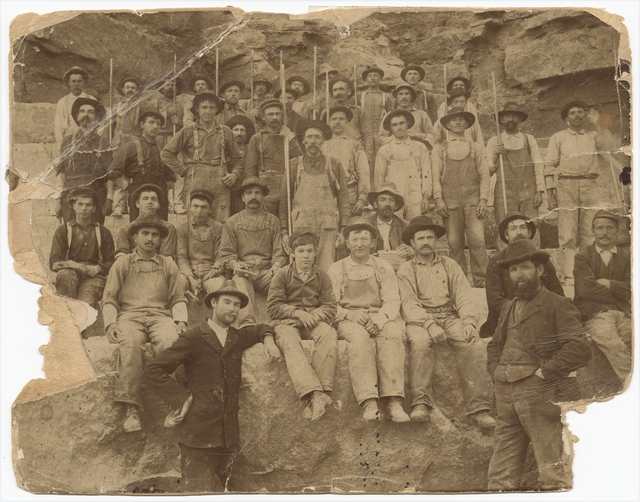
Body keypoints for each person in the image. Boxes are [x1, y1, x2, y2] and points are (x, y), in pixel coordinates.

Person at [144, 280, 279, 492]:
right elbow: (153, 371)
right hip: (198, 440)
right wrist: (182, 398)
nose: (232, 309)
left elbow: (261, 328)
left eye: (237, 305)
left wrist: (269, 340)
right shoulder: (194, 336)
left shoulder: (236, 337)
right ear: (213, 302)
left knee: (251, 493)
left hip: (229, 440)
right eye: (227, 302)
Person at [487, 239, 591, 490]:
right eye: (513, 270)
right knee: (500, 476)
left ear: (540, 270)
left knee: (551, 472)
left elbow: (580, 348)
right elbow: (494, 345)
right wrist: (496, 372)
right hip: (506, 395)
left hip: (540, 394)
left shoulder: (557, 304)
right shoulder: (508, 307)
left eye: (524, 268)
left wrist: (545, 372)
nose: (518, 275)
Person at [397, 216, 495, 427]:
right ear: (412, 243)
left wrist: (468, 321)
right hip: (420, 321)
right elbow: (408, 303)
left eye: (429, 238)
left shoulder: (450, 265)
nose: (425, 242)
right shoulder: (406, 269)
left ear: (436, 241)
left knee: (472, 343)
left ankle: (479, 408)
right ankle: (420, 403)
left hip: (450, 316)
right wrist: (429, 323)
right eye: (420, 238)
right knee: (421, 343)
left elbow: (464, 296)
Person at [102, 213, 188, 432]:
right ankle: (130, 409)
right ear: (135, 238)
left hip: (161, 317)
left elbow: (177, 297)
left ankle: (175, 404)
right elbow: (109, 297)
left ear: (160, 240)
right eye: (145, 234)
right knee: (129, 343)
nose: (150, 239)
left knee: (170, 343)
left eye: (155, 235)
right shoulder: (122, 264)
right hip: (130, 316)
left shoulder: (168, 264)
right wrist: (111, 324)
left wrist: (180, 321)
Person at [327, 217, 409, 423]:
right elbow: (329, 305)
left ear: (373, 243)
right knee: (360, 339)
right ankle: (369, 401)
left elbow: (392, 299)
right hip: (350, 319)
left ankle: (393, 400)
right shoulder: (336, 269)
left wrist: (380, 319)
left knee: (391, 335)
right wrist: (350, 315)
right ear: (347, 243)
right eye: (354, 239)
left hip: (378, 316)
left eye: (365, 239)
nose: (360, 244)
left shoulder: (383, 267)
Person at [267, 229, 338, 420]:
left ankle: (320, 393)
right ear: (292, 253)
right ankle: (313, 393)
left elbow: (331, 307)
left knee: (328, 334)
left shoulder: (322, 275)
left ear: (315, 252)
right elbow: (273, 307)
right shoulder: (282, 274)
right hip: (287, 323)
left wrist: (312, 315)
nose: (305, 256)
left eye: (309, 251)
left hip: (313, 321)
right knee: (289, 341)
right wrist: (296, 313)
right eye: (300, 251)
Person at [545, 100, 608, 285]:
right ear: (566, 118)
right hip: (567, 185)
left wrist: (599, 122)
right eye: (572, 112)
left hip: (590, 185)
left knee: (589, 231)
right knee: (567, 232)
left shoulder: (593, 136)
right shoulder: (558, 138)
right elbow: (549, 165)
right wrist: (550, 192)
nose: (577, 115)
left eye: (581, 112)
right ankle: (570, 275)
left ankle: (586, 274)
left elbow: (610, 147)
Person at [162, 92, 243, 223]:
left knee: (220, 221)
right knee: (196, 219)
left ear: (217, 109)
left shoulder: (226, 131)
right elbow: (166, 153)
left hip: (220, 179)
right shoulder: (188, 130)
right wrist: (184, 170)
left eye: (212, 107)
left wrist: (234, 174)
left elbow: (238, 159)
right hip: (196, 177)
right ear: (197, 109)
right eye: (204, 107)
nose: (208, 111)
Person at [480, 213, 564, 339]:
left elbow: (558, 294)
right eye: (513, 229)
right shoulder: (496, 262)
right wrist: (523, 313)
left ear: (529, 233)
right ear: (506, 235)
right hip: (508, 321)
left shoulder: (542, 260)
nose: (519, 232)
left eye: (522, 227)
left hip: (541, 319)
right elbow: (495, 302)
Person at [280, 120, 350, 271]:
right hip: (302, 224)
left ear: (324, 140)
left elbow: (343, 199)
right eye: (309, 137)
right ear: (303, 140)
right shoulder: (293, 165)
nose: (313, 141)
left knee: (327, 267)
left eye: (317, 137)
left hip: (328, 226)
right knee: (302, 267)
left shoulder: (334, 165)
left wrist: (343, 228)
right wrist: (285, 231)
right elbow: (284, 201)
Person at [218, 177, 288, 328]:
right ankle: (247, 324)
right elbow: (226, 254)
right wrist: (236, 265)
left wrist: (276, 266)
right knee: (239, 283)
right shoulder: (232, 222)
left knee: (282, 284)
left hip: (266, 271)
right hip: (244, 272)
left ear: (263, 196)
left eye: (257, 193)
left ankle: (281, 322)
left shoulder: (273, 221)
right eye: (249, 193)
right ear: (242, 197)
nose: (253, 197)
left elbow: (279, 252)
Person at [432, 106, 489, 287]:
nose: (457, 122)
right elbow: (435, 174)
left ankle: (482, 279)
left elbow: (484, 174)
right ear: (447, 124)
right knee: (454, 242)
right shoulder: (441, 146)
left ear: (467, 124)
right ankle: (459, 281)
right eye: (453, 120)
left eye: (461, 119)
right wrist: (438, 198)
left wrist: (483, 199)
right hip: (450, 200)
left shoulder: (475, 147)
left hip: (473, 199)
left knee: (477, 240)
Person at [573, 209, 631, 385]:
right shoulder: (583, 257)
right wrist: (618, 290)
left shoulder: (627, 256)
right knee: (615, 346)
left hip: (622, 313)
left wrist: (609, 284)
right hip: (595, 314)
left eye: (609, 228)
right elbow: (585, 289)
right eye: (599, 228)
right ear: (592, 231)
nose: (604, 233)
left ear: (618, 231)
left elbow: (633, 288)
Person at [486, 102, 545, 249]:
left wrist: (539, 190)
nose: (510, 119)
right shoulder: (495, 141)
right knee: (505, 225)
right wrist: (495, 155)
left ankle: (533, 256)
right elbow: (487, 171)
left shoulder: (528, 139)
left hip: (528, 189)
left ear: (520, 119)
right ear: (501, 120)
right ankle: (507, 260)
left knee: (531, 224)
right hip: (505, 190)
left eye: (514, 116)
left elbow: (538, 165)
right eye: (507, 116)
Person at [49, 188, 115, 310]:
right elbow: (53, 263)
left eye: (88, 205)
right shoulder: (63, 231)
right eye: (80, 204)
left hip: (93, 277)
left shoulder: (103, 232)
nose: (84, 208)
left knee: (86, 306)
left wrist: (99, 268)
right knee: (65, 277)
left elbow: (112, 262)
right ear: (74, 206)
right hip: (70, 273)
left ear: (94, 208)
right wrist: (73, 264)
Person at [106, 106, 176, 221]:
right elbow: (112, 171)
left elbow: (171, 179)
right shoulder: (130, 146)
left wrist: (161, 193)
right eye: (151, 122)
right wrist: (125, 183)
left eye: (158, 123)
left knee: (161, 230)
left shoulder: (163, 150)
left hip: (159, 198)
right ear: (142, 124)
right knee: (138, 230)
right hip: (137, 194)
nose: (155, 126)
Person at [55, 97, 112, 224]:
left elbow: (111, 174)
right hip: (71, 195)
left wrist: (109, 199)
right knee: (70, 234)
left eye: (90, 112)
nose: (86, 114)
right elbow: (61, 173)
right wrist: (58, 200)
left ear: (97, 118)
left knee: (95, 234)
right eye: (82, 111)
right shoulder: (68, 141)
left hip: (96, 195)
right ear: (77, 116)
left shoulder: (104, 143)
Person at [244, 98, 303, 215]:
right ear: (264, 117)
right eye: (270, 114)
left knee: (286, 218)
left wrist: (290, 138)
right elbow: (250, 168)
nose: (275, 117)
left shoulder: (288, 136)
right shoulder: (257, 138)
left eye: (277, 114)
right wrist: (253, 190)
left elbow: (300, 160)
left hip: (286, 183)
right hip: (265, 185)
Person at [374, 109, 432, 221]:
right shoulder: (385, 150)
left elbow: (426, 173)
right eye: (395, 125)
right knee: (395, 228)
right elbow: (379, 179)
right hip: (393, 198)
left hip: (415, 197)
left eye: (402, 123)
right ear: (390, 128)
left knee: (415, 228)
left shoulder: (419, 147)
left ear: (408, 125)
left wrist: (426, 197)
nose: (399, 127)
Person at [176, 189, 226, 299]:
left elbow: (221, 257)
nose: (199, 211)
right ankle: (178, 316)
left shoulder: (219, 228)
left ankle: (214, 316)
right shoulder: (183, 228)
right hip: (188, 274)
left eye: (203, 207)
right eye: (195, 206)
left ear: (210, 209)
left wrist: (211, 274)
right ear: (189, 207)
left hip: (211, 274)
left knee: (219, 287)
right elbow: (181, 256)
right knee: (177, 283)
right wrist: (190, 278)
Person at [322, 106, 370, 214]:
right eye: (334, 119)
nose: (338, 122)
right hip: (326, 194)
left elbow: (363, 173)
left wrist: (362, 198)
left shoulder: (355, 145)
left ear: (347, 122)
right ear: (328, 122)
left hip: (350, 194)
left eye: (341, 119)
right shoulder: (322, 146)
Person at [319, 75, 375, 167]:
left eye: (341, 89)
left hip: (355, 152)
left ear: (349, 91)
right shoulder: (326, 113)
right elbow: (321, 136)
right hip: (332, 152)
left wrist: (368, 156)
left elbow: (367, 135)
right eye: (335, 90)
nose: (338, 92)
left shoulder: (359, 111)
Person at [114, 184, 178, 259]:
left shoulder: (168, 228)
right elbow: (122, 259)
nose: (150, 202)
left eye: (153, 199)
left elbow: (166, 259)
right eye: (145, 198)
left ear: (158, 205)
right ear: (137, 204)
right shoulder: (125, 230)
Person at [377, 83, 435, 150]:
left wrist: (418, 136)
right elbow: (380, 139)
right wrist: (395, 138)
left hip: (417, 151)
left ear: (412, 96)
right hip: (396, 152)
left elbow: (432, 136)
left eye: (407, 94)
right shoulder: (390, 115)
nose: (404, 97)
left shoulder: (421, 114)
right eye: (400, 94)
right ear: (396, 97)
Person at [366, 183, 414, 260]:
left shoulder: (405, 226)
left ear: (396, 206)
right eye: (383, 200)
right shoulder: (366, 224)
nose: (387, 204)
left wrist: (412, 251)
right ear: (375, 204)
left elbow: (418, 249)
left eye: (391, 200)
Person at [357, 64, 394, 157]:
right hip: (365, 130)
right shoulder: (360, 95)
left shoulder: (387, 96)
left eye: (375, 76)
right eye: (370, 76)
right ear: (366, 80)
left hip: (380, 130)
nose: (372, 78)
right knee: (366, 154)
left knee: (381, 154)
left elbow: (391, 115)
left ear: (380, 79)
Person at [54, 66, 96, 145]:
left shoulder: (92, 100)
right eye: (73, 81)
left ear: (84, 82)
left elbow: (98, 121)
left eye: (79, 81)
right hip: (68, 141)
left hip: (87, 140)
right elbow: (58, 125)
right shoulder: (62, 102)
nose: (76, 84)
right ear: (69, 83)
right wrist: (61, 146)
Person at [226, 115, 256, 215]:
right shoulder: (225, 150)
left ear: (247, 133)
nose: (239, 133)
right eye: (236, 130)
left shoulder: (252, 148)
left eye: (242, 130)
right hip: (229, 188)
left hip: (246, 187)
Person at [111, 75, 143, 144]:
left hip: (135, 140)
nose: (130, 90)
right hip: (118, 140)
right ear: (123, 90)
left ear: (137, 90)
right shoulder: (116, 106)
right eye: (127, 87)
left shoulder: (141, 106)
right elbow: (111, 125)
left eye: (133, 88)